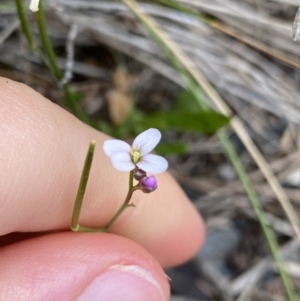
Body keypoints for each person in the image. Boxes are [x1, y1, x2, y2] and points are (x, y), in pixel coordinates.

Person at [0, 76, 205, 301]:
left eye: (137, 154)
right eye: (134, 154)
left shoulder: (135, 162)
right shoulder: (127, 157)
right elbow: (118, 153)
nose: (135, 154)